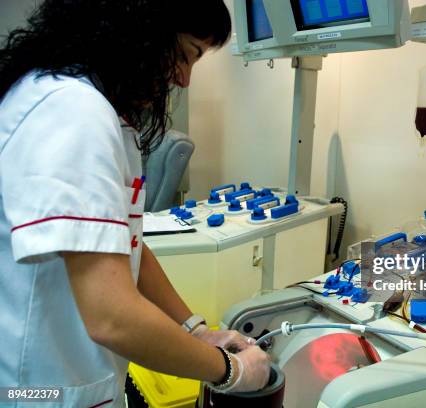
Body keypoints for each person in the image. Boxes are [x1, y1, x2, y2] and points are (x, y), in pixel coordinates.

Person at [0, 1, 270, 406]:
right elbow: (112, 317)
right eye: (185, 55)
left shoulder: (86, 105)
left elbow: (126, 244)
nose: (184, 79)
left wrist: (195, 328)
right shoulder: (72, 111)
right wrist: (229, 370)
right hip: (39, 390)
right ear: (138, 29)